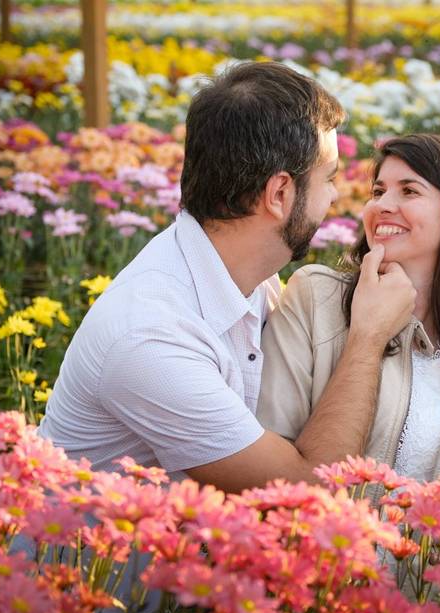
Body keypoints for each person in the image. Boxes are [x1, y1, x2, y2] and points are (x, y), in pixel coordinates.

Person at [37, 61, 417, 494]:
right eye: (328, 179)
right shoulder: (152, 335)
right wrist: (368, 337)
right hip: (85, 560)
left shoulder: (244, 274)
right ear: (279, 194)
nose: (335, 196)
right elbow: (306, 490)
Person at [256, 134, 440, 482]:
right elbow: (272, 461)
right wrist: (367, 335)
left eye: (409, 191)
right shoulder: (317, 299)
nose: (381, 206)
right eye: (378, 192)